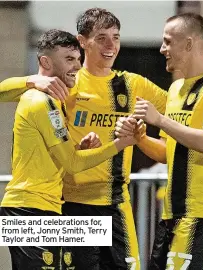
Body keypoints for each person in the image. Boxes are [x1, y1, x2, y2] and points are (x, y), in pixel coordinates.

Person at [0, 8, 203, 270]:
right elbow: (6, 96)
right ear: (83, 42)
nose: (111, 45)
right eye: (101, 38)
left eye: (116, 37)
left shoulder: (132, 84)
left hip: (116, 205)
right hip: (69, 204)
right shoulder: (66, 83)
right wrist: (31, 81)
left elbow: (181, 112)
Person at [0, 29, 137, 270]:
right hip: (29, 209)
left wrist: (78, 147)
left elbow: (54, 155)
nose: (77, 66)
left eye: (78, 59)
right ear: (45, 62)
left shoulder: (53, 99)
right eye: (69, 59)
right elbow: (72, 164)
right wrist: (119, 144)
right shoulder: (40, 100)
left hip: (45, 206)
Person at [116, 13, 203, 270]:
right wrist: (139, 138)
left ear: (190, 44)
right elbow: (167, 153)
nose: (162, 49)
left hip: (200, 213)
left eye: (168, 41)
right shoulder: (175, 90)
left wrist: (159, 120)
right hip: (171, 214)